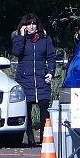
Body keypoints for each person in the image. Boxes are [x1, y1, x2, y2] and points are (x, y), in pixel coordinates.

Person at [11, 13, 56, 146]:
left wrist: (51, 72)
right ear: (24, 26)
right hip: (25, 80)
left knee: (44, 109)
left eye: (33, 23)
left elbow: (51, 57)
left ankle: (44, 138)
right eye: (28, 24)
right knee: (27, 110)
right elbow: (17, 53)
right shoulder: (19, 38)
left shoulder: (45, 38)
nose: (31, 26)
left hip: (42, 80)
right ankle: (30, 138)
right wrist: (21, 36)